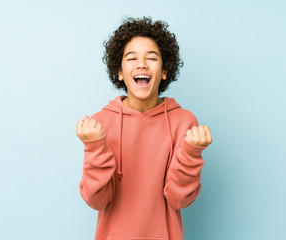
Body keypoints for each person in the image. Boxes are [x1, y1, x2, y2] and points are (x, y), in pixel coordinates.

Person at [76, 16, 213, 240]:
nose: (142, 64)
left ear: (164, 71)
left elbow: (180, 199)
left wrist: (191, 153)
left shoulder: (183, 122)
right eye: (131, 58)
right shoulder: (100, 124)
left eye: (152, 57)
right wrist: (95, 147)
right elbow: (96, 200)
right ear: (119, 72)